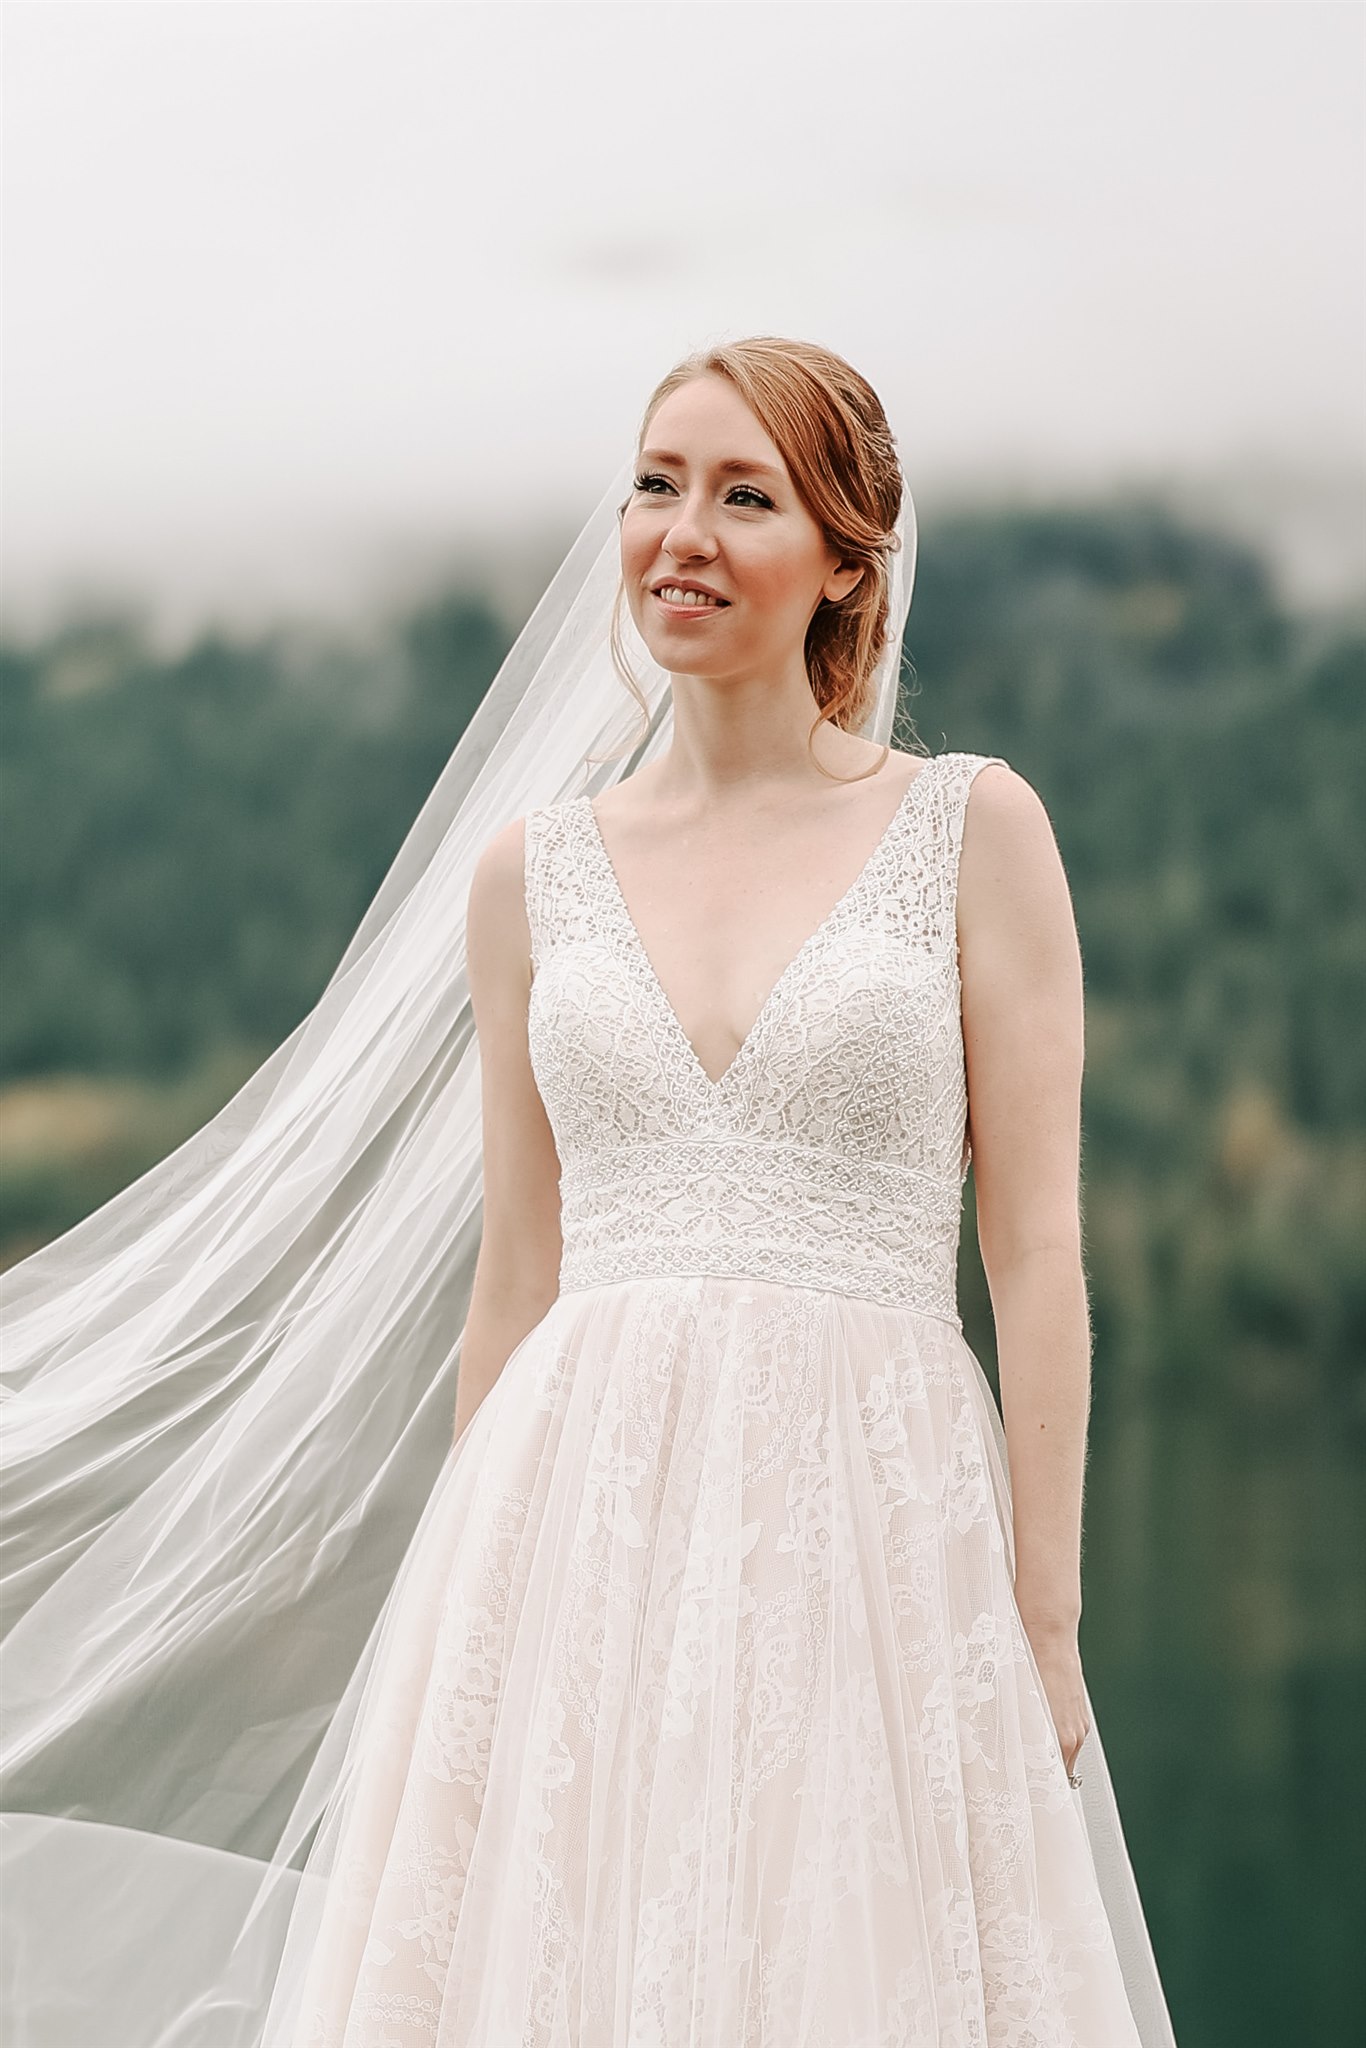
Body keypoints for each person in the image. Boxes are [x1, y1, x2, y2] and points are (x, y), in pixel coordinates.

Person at [1, 337, 1178, 2046]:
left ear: (848, 558)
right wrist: (463, 1618)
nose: (681, 532)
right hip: (575, 1521)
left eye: (743, 495)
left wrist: (1044, 1617)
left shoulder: (973, 832)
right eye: (654, 484)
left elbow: (1038, 1251)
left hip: (870, 1513)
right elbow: (517, 1276)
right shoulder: (529, 876)